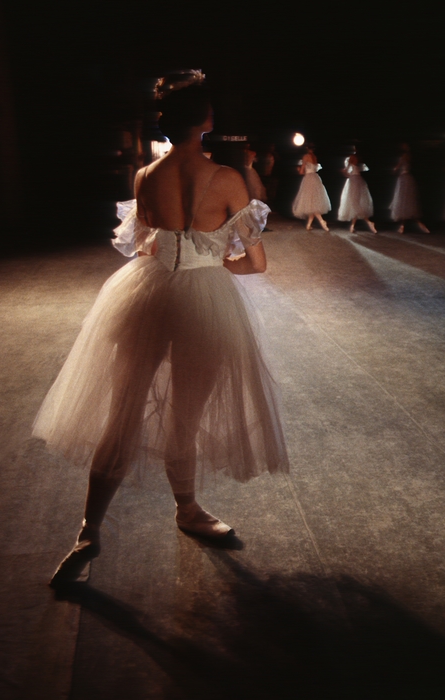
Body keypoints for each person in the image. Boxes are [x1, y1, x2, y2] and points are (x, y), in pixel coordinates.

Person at [33, 72, 289, 587]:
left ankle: (89, 529)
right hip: (203, 299)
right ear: (208, 123)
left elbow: (146, 244)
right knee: (185, 417)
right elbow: (256, 262)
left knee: (122, 413)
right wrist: (213, 264)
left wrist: (178, 256)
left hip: (144, 292)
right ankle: (187, 508)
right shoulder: (227, 179)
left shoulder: (145, 175)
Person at [390, 143, 429, 234]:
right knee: (408, 201)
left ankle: (403, 226)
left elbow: (397, 167)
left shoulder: (403, 156)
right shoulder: (409, 156)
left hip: (403, 179)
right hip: (408, 177)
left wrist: (394, 170)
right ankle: (406, 226)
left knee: (403, 201)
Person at [292, 144, 331, 231]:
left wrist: (298, 169)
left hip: (309, 179)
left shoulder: (305, 156)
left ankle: (322, 221)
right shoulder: (315, 157)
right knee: (312, 202)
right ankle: (308, 225)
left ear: (307, 148)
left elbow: (302, 172)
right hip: (316, 178)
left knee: (311, 201)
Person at [338, 151, 377, 233]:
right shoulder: (355, 164)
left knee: (355, 203)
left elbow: (348, 173)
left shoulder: (354, 165)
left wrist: (345, 171)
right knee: (355, 204)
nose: (355, 160)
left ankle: (369, 223)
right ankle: (352, 226)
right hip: (356, 181)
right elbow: (349, 174)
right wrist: (345, 172)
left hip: (355, 182)